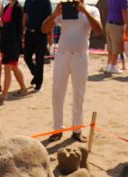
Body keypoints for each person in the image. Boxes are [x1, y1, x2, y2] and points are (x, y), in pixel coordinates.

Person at [42, 0, 102, 142]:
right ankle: (57, 129)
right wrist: (54, 14)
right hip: (63, 55)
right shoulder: (63, 10)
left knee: (79, 94)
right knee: (57, 92)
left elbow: (99, 30)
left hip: (80, 56)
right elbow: (44, 29)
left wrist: (85, 12)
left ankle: (77, 130)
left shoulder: (92, 10)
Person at [0, 0, 28, 101]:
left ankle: (4, 94)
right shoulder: (7, 6)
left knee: (8, 67)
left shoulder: (17, 8)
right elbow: (5, 25)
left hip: (13, 43)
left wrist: (2, 25)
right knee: (13, 67)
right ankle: (23, 88)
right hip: (6, 41)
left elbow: (18, 28)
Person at [23, 0, 52, 91]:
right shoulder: (27, 1)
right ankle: (36, 74)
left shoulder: (46, 2)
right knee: (26, 57)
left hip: (41, 34)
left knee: (39, 59)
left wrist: (50, 36)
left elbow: (50, 18)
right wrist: (22, 30)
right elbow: (25, 16)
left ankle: (38, 84)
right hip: (29, 33)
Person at [105, 0, 128, 74]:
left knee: (110, 47)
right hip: (117, 25)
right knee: (116, 47)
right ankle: (113, 65)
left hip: (109, 23)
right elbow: (124, 11)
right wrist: (127, 25)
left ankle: (109, 65)